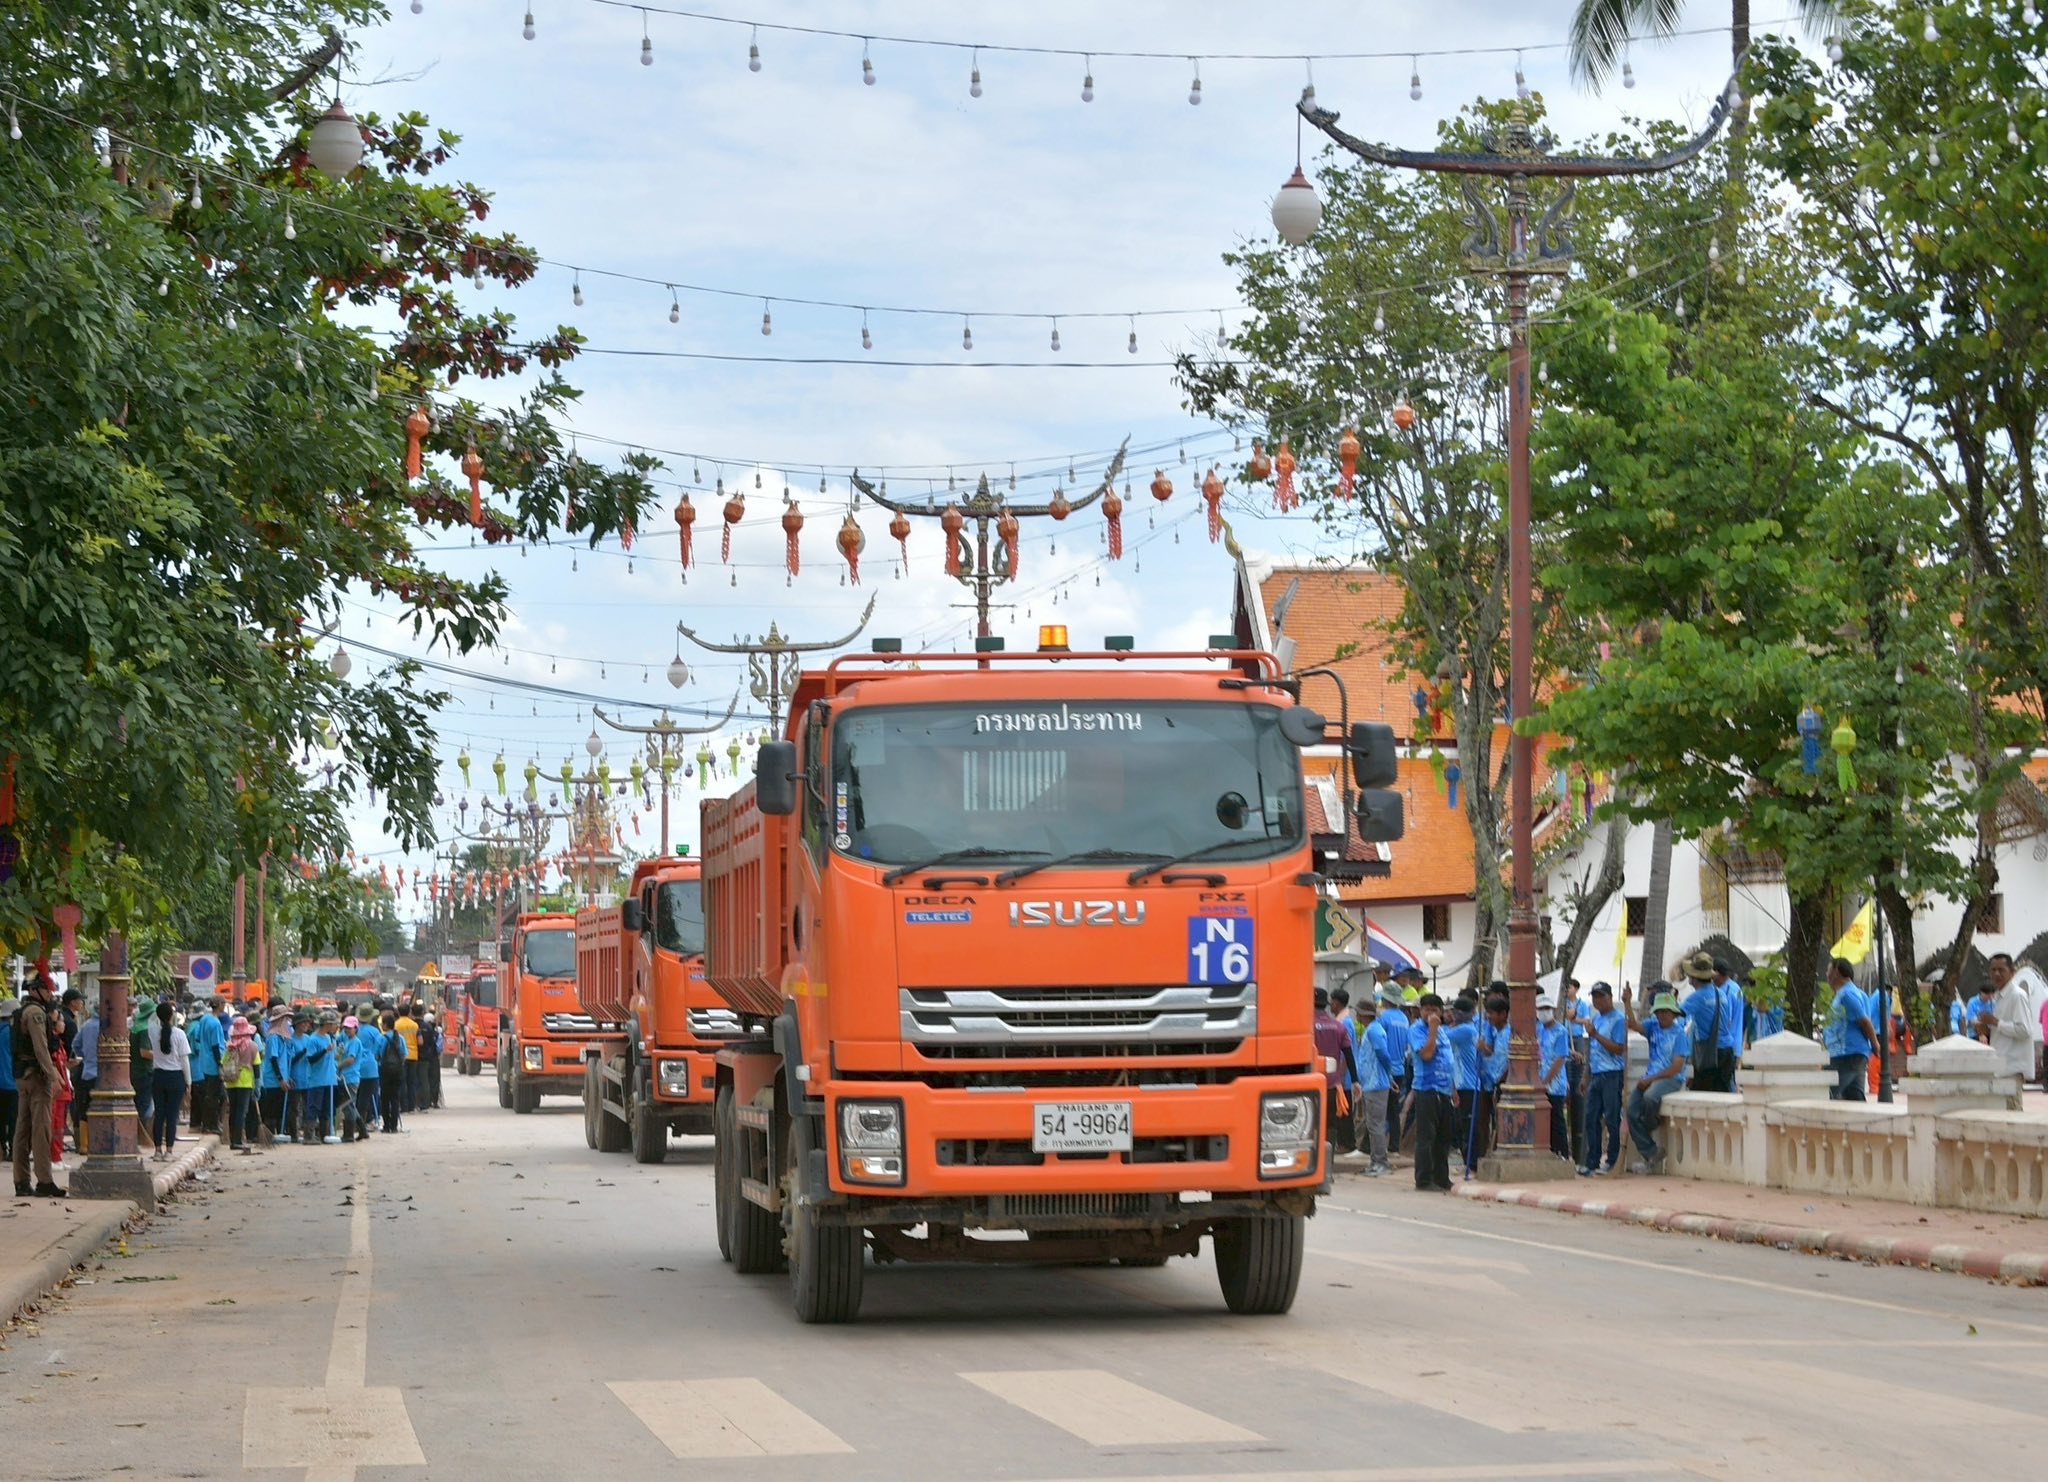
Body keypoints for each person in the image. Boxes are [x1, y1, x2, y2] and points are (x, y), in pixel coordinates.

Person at [1624, 984, 1691, 1174]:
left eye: (1666, 1012)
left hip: (1670, 1078)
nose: (1662, 1015)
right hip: (1650, 1077)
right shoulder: (1652, 1026)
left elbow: (1677, 1067)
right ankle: (1651, 1151)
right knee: (1630, 1109)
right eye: (1660, 1012)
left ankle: (1651, 1123)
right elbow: (1633, 1024)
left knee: (1650, 1098)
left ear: (1674, 1014)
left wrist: (1652, 1078)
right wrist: (1628, 1003)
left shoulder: (1679, 1035)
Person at [12, 974, 64, 1197]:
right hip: (37, 1077)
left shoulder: (22, 1011)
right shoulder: (35, 1013)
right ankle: (44, 1181)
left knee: (22, 1129)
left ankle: (21, 1181)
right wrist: (53, 1076)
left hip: (23, 1076)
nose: (50, 995)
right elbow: (41, 1048)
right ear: (36, 990)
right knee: (41, 1129)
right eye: (47, 990)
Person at [1407, 993, 1455, 1192]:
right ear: (1420, 1011)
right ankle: (1424, 1179)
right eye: (1426, 1009)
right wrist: (1433, 1030)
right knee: (1427, 1136)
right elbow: (1426, 1054)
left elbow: (1448, 1059)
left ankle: (1442, 1177)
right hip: (1427, 1088)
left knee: (1444, 1136)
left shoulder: (1442, 1031)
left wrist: (1453, 1089)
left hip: (1444, 1090)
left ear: (1441, 1012)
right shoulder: (1417, 1030)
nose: (1430, 1013)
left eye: (1435, 1010)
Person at [1580, 982, 1627, 1176]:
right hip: (1596, 1073)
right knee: (1591, 1117)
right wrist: (1585, 1076)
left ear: (1609, 997)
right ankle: (1592, 1160)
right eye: (1594, 997)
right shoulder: (1596, 1019)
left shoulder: (1619, 1020)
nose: (1597, 1000)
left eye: (1601, 996)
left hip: (1612, 1074)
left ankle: (1613, 1159)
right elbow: (1592, 1050)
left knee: (1611, 1117)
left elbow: (1618, 1048)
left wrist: (1596, 1035)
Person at [1349, 995, 1394, 1176]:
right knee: (1373, 1124)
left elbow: (1383, 1054)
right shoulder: (1372, 1029)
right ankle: (1376, 1160)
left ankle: (1380, 1162)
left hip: (1376, 1084)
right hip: (1372, 1083)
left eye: (1359, 1014)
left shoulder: (1374, 1031)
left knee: (1375, 1125)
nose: (1357, 1017)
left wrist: (1388, 1074)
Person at [1311, 987, 1358, 1157]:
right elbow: (1349, 1054)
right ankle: (1327, 1164)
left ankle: (1314, 1161)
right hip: (1333, 1086)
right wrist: (1355, 1080)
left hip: (1311, 1084)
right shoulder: (1338, 1027)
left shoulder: (1306, 1025)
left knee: (1312, 1124)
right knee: (1330, 1125)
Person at [1822, 957, 1877, 1102]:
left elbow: (1864, 1022)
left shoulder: (1846, 995)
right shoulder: (1858, 993)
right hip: (1855, 1054)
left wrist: (1876, 1045)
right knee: (1854, 1098)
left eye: (1828, 970)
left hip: (1845, 1054)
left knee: (1824, 1093)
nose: (1826, 974)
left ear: (1836, 972)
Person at [1442, 993, 1484, 1178]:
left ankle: (1472, 1164)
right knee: (1461, 1126)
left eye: (1455, 1012)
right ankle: (1468, 1162)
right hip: (1461, 1083)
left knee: (1468, 1127)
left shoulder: (1465, 1030)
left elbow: (1440, 1036)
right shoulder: (1466, 1029)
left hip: (1468, 1084)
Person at [1679, 954, 1730, 1093]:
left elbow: (1676, 1014)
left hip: (1709, 1053)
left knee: (1704, 1095)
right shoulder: (1721, 994)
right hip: (1727, 1051)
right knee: (1723, 1094)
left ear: (1693, 978)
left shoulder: (1696, 997)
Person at [148, 1000, 191, 1162]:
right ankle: (169, 1152)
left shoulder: (152, 1031)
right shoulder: (179, 1034)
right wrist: (189, 1082)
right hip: (176, 1078)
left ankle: (157, 1150)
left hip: (158, 1076)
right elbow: (184, 1061)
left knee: (159, 1114)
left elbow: (151, 1019)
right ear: (172, 1016)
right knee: (172, 1116)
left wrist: (159, 1014)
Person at [1475, 990, 1513, 1172]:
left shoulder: (1508, 1033)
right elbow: (1495, 1055)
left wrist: (1502, 1082)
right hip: (1490, 1080)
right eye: (1488, 1013)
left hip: (1501, 1082)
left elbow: (1509, 1061)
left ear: (1503, 1014)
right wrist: (1484, 1048)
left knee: (1500, 1122)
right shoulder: (1495, 1033)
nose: (1489, 1017)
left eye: (1492, 1013)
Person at [1984, 952, 2035, 1086]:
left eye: (2001, 970)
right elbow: (2002, 1029)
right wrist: (1986, 1027)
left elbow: (2024, 1030)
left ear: (2012, 972)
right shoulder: (1998, 997)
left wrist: (1996, 1022)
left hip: (2012, 1068)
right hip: (2000, 1067)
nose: (1996, 974)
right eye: (1993, 970)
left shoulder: (2017, 996)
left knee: (2011, 1107)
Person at [1536, 992, 1571, 1158]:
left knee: (1557, 1120)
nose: (1544, 1011)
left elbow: (1560, 1059)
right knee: (1545, 1121)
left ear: (1553, 1010)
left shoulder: (1561, 1031)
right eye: (1541, 1009)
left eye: (1547, 1008)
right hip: (1541, 1082)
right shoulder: (1539, 1030)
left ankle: (1563, 1153)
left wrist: (1546, 1081)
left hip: (1555, 1084)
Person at [185, 996, 225, 1137]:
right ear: (219, 1005)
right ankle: (211, 1125)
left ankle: (207, 1125)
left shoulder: (204, 1020)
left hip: (204, 1063)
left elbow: (198, 1039)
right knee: (214, 1097)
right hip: (213, 1064)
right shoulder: (215, 1023)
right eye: (223, 1003)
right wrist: (220, 1064)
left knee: (209, 1096)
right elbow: (215, 1045)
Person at [299, 1012, 339, 1144]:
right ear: (327, 1024)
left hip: (329, 1079)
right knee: (314, 1107)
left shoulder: (329, 1037)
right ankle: (309, 1136)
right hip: (317, 1079)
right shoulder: (313, 1039)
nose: (335, 1026)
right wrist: (325, 1051)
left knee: (327, 1108)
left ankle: (324, 1134)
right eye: (333, 1024)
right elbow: (310, 1059)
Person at [222, 1015, 260, 1153]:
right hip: (245, 1082)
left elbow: (223, 1062)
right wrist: (257, 1085)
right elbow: (256, 1067)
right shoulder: (253, 1046)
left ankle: (233, 1140)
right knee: (241, 1112)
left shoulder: (230, 1046)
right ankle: (238, 1141)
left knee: (233, 1111)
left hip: (231, 1082)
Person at [259, 1004, 294, 1142]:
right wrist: (280, 1079)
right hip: (273, 1080)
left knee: (280, 1109)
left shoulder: (283, 1038)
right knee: (272, 1110)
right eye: (285, 1018)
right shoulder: (273, 1037)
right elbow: (274, 1059)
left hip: (282, 1078)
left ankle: (278, 1134)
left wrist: (287, 1077)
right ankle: (269, 1136)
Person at [129, 997, 157, 1151]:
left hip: (135, 1071)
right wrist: (161, 1055)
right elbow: (145, 1052)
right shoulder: (145, 1029)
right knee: (144, 1107)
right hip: (144, 1071)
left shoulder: (135, 1026)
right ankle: (142, 1138)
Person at [72, 999, 99, 1152]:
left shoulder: (86, 1026)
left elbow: (75, 1045)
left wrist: (86, 1056)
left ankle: (84, 1145)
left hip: (87, 1073)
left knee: (85, 1109)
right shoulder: (107, 1027)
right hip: (104, 1076)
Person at [355, 1011, 383, 1137]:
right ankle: (365, 1122)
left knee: (356, 1097)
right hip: (371, 1068)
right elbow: (380, 1048)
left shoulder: (353, 1030)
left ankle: (356, 1122)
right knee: (366, 1098)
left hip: (355, 1066)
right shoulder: (375, 1031)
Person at [378, 1012, 407, 1132]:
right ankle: (394, 1126)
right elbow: (404, 1055)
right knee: (395, 1098)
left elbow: (378, 1055)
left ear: (385, 1025)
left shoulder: (382, 1038)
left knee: (385, 1099)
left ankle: (386, 1126)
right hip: (398, 1071)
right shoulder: (400, 1038)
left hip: (385, 1071)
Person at [395, 1002, 421, 1114]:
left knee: (402, 1082)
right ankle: (412, 1107)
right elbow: (420, 1041)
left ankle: (403, 1107)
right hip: (413, 1056)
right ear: (409, 1012)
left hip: (401, 1056)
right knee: (412, 1081)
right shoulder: (415, 1025)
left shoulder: (396, 1025)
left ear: (398, 1012)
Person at [0, 992, 16, 1165]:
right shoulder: (13, 1034)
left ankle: (2, 1149)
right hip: (12, 1082)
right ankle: (13, 1150)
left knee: (1, 1118)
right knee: (14, 1120)